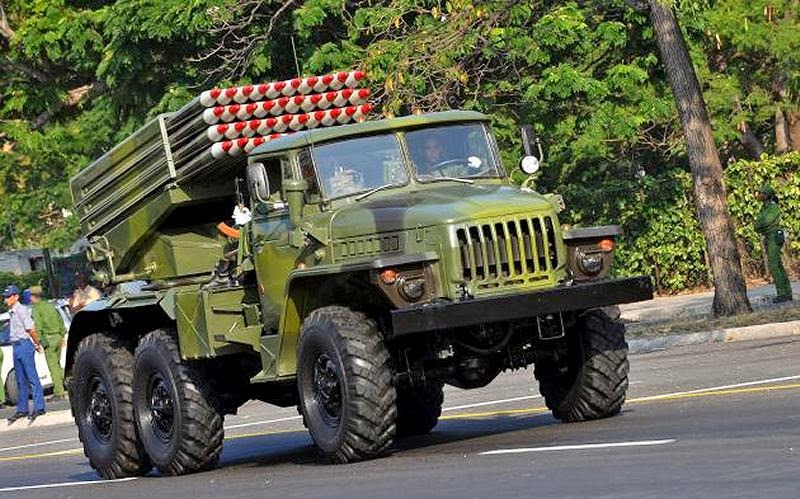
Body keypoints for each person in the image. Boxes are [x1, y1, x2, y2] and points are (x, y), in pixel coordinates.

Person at [3, 285, 46, 423]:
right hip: (15, 346)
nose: (6, 300)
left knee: (32, 377)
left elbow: (31, 329)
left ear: (16, 297)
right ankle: (22, 409)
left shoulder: (21, 310)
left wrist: (37, 343)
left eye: (9, 297)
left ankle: (39, 407)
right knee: (20, 379)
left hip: (24, 345)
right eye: (5, 297)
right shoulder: (11, 312)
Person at [755, 184, 792, 303]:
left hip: (774, 237)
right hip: (768, 236)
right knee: (778, 265)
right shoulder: (763, 208)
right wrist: (760, 225)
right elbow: (758, 225)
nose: (759, 195)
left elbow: (766, 221)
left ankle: (782, 294)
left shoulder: (773, 207)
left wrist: (761, 224)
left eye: (761, 193)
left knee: (774, 266)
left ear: (767, 195)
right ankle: (787, 293)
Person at [28, 286, 67, 399]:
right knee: (57, 364)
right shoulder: (50, 305)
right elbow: (59, 320)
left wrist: (38, 341)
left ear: (33, 296)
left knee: (53, 366)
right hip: (58, 337)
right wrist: (62, 335)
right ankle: (69, 379)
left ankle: (59, 393)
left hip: (48, 339)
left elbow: (38, 326)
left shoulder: (36, 308)